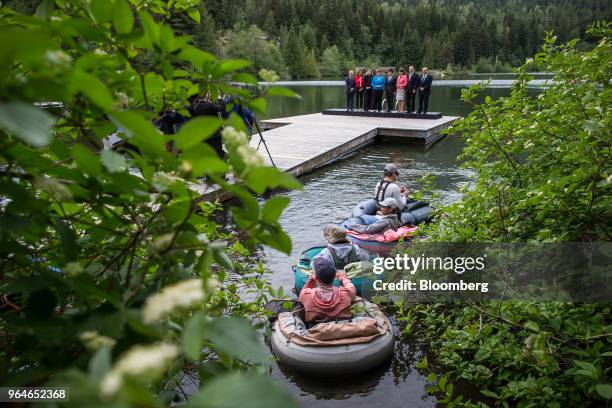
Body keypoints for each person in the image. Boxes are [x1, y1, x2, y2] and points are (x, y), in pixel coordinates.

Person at [299, 256, 356, 324]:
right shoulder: (345, 293)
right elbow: (351, 288)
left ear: (315, 277)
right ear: (335, 277)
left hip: (317, 331)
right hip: (343, 329)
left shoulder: (306, 295)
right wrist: (343, 277)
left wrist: (311, 280)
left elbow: (302, 294)